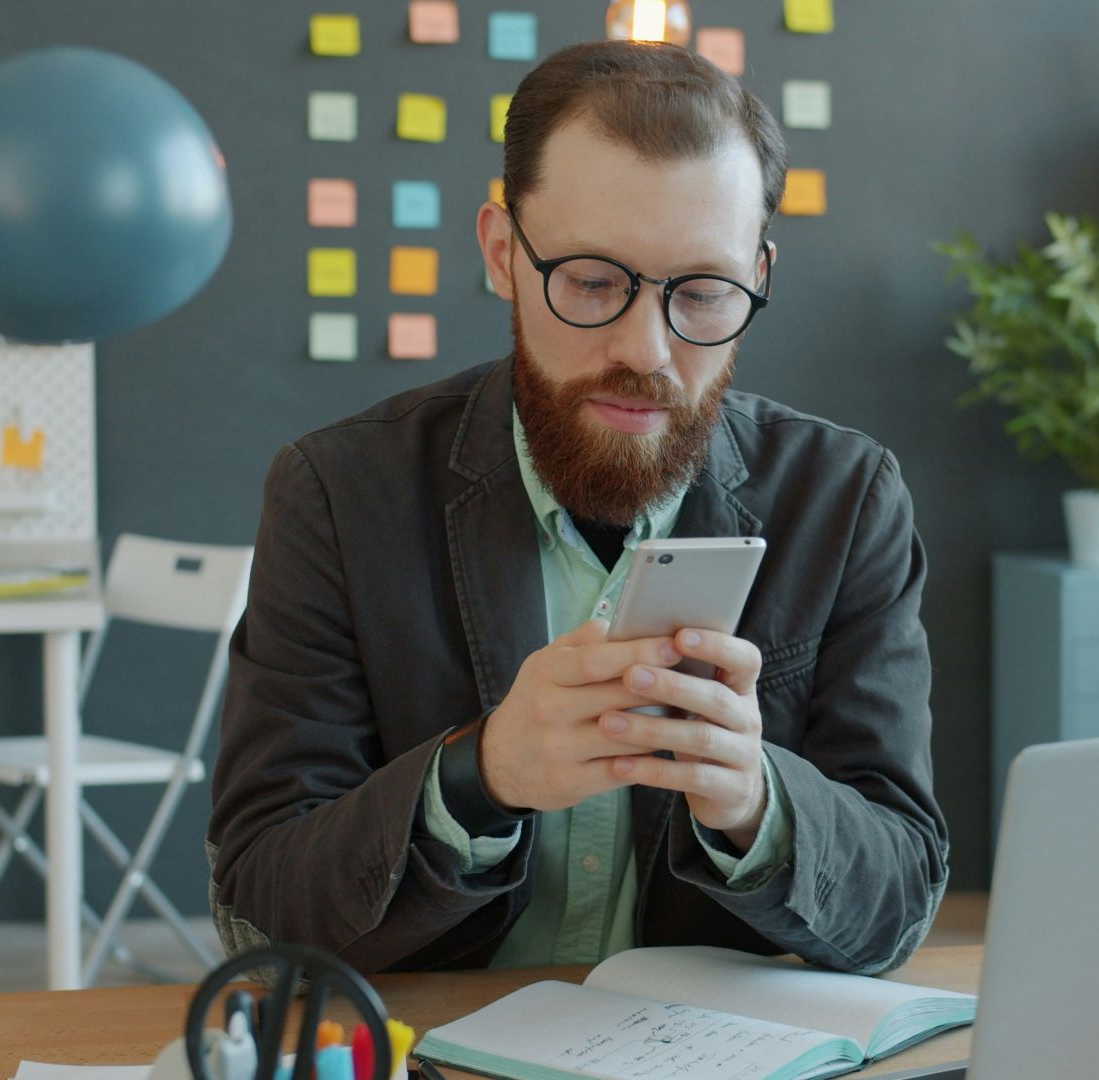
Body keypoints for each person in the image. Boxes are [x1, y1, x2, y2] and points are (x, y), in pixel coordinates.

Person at [207, 40, 947, 976]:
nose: (646, 349)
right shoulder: (338, 496)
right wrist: (480, 779)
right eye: (593, 283)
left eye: (705, 293)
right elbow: (262, 907)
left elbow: (904, 899)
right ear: (503, 254)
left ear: (758, 275)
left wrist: (761, 807)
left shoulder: (843, 501)